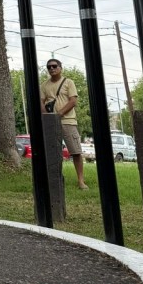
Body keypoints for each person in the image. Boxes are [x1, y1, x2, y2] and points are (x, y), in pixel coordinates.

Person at [41, 59, 87, 190]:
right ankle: (55, 180)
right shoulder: (44, 85)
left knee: (76, 151)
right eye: (49, 67)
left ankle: (81, 181)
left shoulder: (68, 82)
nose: (52, 69)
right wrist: (47, 117)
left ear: (60, 68)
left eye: (54, 66)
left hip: (68, 121)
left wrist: (59, 114)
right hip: (51, 123)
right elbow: (41, 101)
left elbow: (73, 101)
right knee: (53, 152)